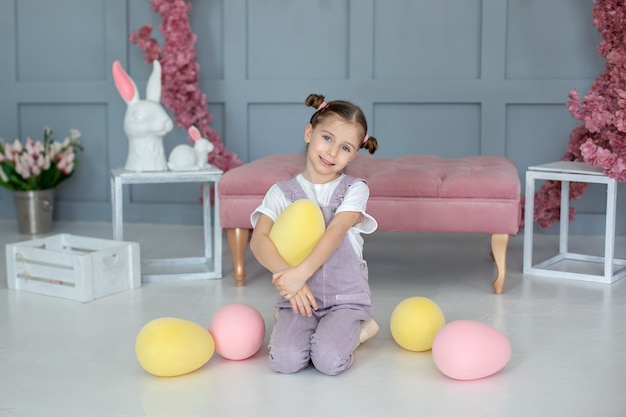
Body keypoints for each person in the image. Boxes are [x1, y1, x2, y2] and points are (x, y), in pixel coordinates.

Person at [249, 93, 380, 376]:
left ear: (355, 153)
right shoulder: (281, 192)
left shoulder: (355, 189)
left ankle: (358, 329)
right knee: (284, 362)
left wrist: (302, 272)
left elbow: (335, 230)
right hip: (299, 297)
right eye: (327, 138)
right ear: (310, 133)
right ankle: (299, 327)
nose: (332, 153)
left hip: (344, 299)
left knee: (329, 361)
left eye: (345, 147)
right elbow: (259, 240)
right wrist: (290, 278)